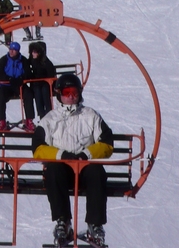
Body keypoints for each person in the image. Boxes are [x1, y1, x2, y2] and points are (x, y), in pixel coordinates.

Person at [32, 74, 113, 248]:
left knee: (96, 172)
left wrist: (86, 155)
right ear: (59, 94)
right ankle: (63, 221)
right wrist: (61, 155)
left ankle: (95, 225)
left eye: (74, 92)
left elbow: (107, 142)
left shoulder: (90, 116)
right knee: (53, 170)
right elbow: (38, 148)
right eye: (66, 92)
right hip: (62, 170)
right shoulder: (50, 119)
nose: (70, 96)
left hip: (84, 169)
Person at [0, 41, 35, 132]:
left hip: (19, 85)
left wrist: (21, 79)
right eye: (10, 49)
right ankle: (2, 122)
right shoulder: (3, 60)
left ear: (18, 51)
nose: (11, 52)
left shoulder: (23, 60)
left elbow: (29, 73)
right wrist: (8, 79)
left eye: (14, 50)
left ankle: (29, 121)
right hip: (6, 86)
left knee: (28, 94)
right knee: (0, 96)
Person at [28, 41, 56, 119]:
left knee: (44, 91)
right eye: (32, 52)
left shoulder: (46, 62)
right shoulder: (31, 61)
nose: (32, 54)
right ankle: (41, 115)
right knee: (37, 91)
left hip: (46, 84)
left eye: (34, 52)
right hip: (36, 84)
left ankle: (48, 113)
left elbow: (51, 74)